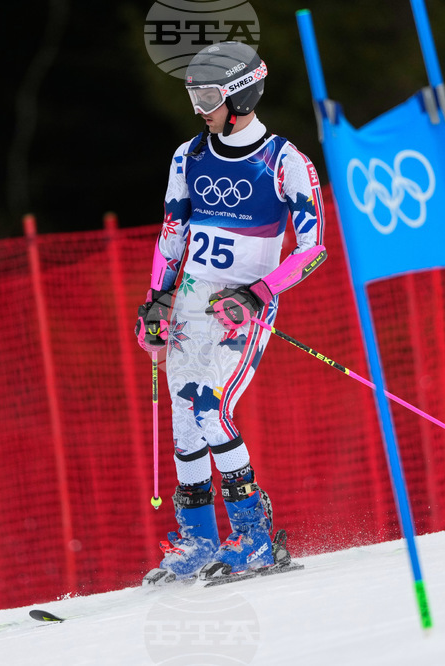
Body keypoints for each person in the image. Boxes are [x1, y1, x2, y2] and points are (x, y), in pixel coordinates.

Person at [135, 41, 327, 584]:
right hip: (190, 303)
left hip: (239, 312)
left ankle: (256, 537)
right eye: (193, 94)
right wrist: (157, 299)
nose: (198, 107)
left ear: (240, 94)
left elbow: (312, 248)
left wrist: (259, 294)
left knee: (208, 405)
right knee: (183, 420)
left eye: (208, 95)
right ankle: (199, 541)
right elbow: (171, 235)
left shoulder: (285, 161)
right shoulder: (188, 156)